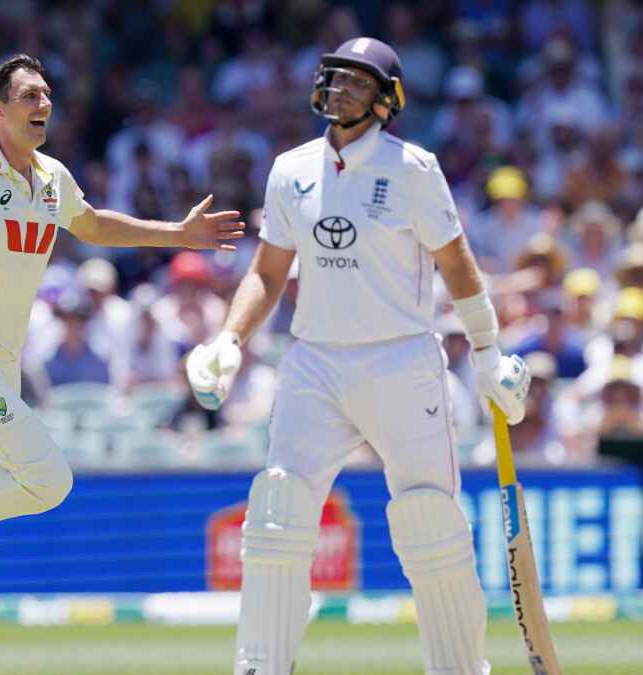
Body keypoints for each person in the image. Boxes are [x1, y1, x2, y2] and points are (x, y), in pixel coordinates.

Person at [0, 54, 244, 675]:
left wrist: (178, 235)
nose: (43, 105)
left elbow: (92, 225)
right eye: (29, 95)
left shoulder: (52, 177)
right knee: (48, 481)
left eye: (47, 94)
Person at [185, 38, 531, 675]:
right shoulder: (291, 169)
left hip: (402, 361)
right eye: (336, 77)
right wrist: (229, 340)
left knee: (431, 519)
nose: (340, 89)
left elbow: (456, 264)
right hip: (314, 362)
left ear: (385, 102)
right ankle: (260, 667)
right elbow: (267, 272)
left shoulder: (414, 169)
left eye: (358, 82)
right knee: (277, 511)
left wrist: (487, 352)